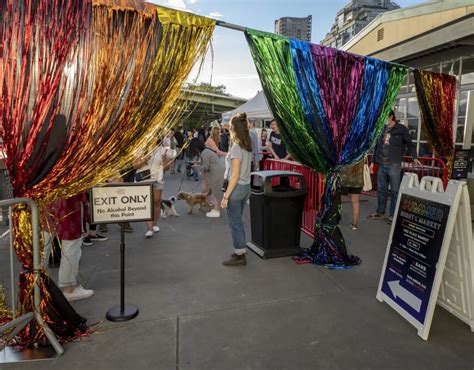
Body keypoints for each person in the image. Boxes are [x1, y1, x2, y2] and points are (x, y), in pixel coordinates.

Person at [368, 110, 421, 224]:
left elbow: (410, 144)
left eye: (385, 117)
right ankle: (380, 212)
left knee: (395, 191)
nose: (383, 120)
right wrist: (373, 161)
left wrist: (414, 157)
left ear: (391, 116)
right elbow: (376, 146)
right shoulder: (382, 129)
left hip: (394, 165)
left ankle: (393, 215)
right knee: (381, 190)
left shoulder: (401, 129)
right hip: (382, 164)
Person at [43, 193, 94, 301]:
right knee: (71, 243)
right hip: (68, 200)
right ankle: (69, 288)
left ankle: (35, 286)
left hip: (43, 197)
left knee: (41, 242)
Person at [221, 113, 253, 266]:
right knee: (238, 221)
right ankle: (240, 250)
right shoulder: (247, 145)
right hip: (246, 188)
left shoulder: (236, 147)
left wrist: (226, 196)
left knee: (235, 223)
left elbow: (234, 176)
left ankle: (240, 255)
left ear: (234, 129)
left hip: (236, 188)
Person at [135, 143, 176, 238]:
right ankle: (149, 229)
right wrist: (145, 159)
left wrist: (165, 160)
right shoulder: (141, 148)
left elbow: (167, 168)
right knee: (147, 204)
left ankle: (154, 224)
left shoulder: (163, 150)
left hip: (158, 179)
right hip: (144, 180)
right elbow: (135, 166)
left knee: (157, 202)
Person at [188, 138, 225, 218]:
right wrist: (197, 163)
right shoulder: (205, 151)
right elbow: (206, 163)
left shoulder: (204, 153)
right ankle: (216, 209)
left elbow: (206, 167)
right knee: (215, 191)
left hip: (216, 173)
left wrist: (196, 166)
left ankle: (216, 211)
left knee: (215, 192)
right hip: (217, 172)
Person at [340, 160, 364, 230]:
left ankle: (335, 222)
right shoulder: (361, 150)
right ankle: (354, 224)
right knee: (355, 202)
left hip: (344, 179)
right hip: (357, 180)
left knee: (338, 201)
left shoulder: (345, 150)